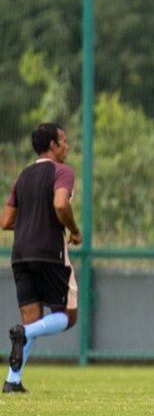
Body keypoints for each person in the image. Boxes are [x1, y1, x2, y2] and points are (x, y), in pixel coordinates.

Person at [2, 123, 82, 394]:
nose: (67, 146)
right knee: (66, 316)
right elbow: (61, 204)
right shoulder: (62, 172)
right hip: (50, 253)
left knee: (31, 319)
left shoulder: (22, 177)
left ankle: (12, 381)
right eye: (64, 141)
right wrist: (74, 230)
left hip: (20, 254)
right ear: (52, 146)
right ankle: (25, 335)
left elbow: (6, 221)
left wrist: (31, 222)